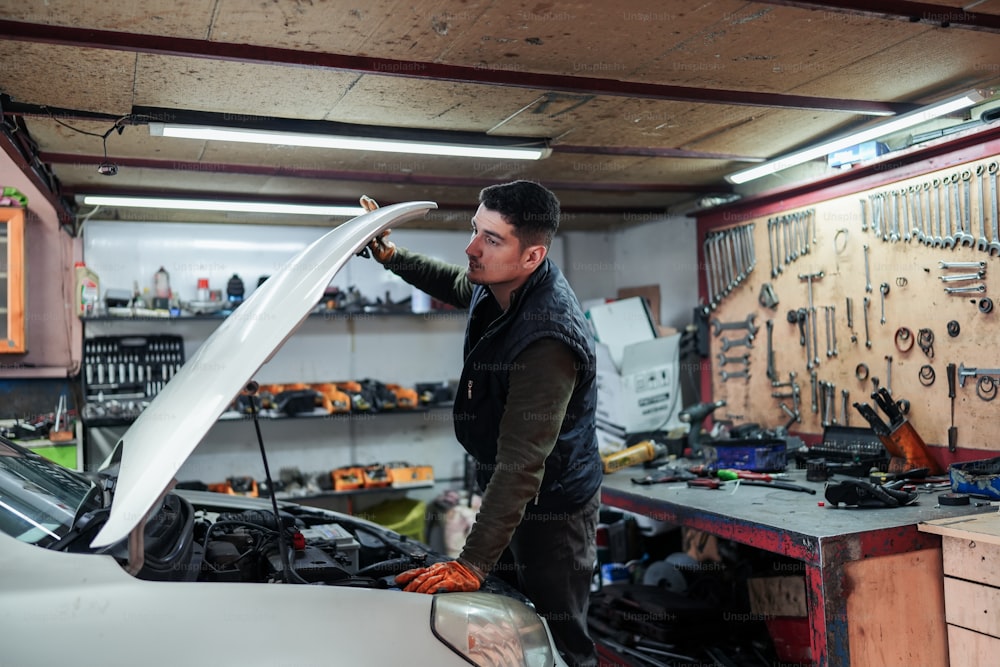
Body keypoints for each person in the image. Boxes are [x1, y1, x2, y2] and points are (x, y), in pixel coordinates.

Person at [360, 181, 603, 666]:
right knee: (505, 625)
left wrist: (470, 562)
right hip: (508, 491)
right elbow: (455, 282)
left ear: (531, 256)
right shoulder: (497, 283)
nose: (472, 247)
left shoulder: (547, 341)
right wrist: (392, 256)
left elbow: (521, 463)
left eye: (491, 239)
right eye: (475, 229)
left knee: (558, 639)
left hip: (553, 508)